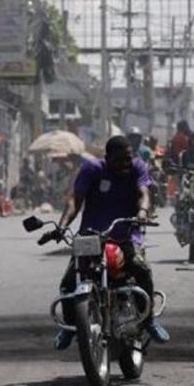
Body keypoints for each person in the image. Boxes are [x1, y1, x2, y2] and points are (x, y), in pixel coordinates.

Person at [53, 135, 169, 349]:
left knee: (141, 269)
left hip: (126, 234)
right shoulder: (92, 169)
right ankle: (70, 325)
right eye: (119, 160)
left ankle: (149, 319)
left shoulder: (138, 167)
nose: (125, 164)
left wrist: (143, 211)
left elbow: (144, 193)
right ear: (107, 158)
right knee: (69, 281)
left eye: (128, 158)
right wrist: (62, 226)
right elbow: (75, 199)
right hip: (90, 235)